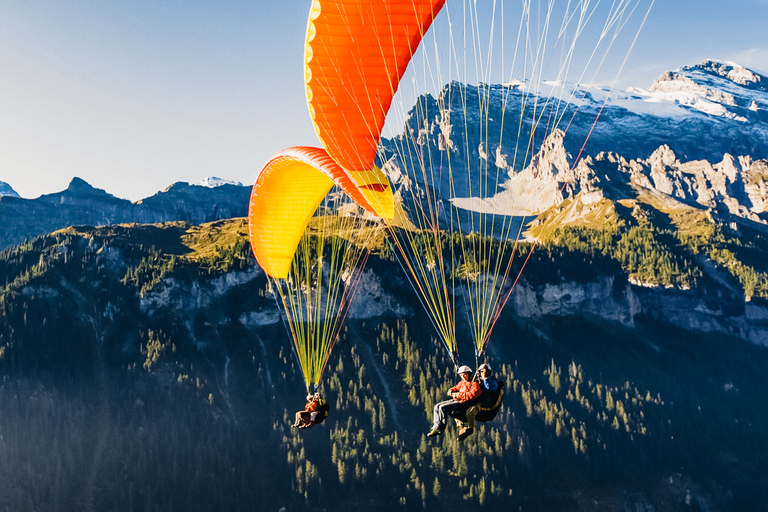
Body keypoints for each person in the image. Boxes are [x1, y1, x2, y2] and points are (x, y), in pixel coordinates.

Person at [427, 365, 481, 437]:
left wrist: (458, 395)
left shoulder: (474, 384)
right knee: (437, 407)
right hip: (456, 400)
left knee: (443, 408)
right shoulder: (462, 383)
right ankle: (436, 426)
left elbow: (471, 395)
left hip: (463, 403)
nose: (463, 377)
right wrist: (451, 390)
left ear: (469, 374)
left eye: (465, 375)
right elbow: (456, 387)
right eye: (461, 375)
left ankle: (441, 427)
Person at [459, 363, 503, 441]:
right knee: (455, 409)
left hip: (486, 407)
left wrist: (484, 379)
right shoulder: (478, 381)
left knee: (470, 412)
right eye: (481, 372)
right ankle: (461, 428)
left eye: (485, 372)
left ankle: (470, 429)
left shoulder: (492, 382)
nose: (483, 373)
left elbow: (489, 388)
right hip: (478, 404)